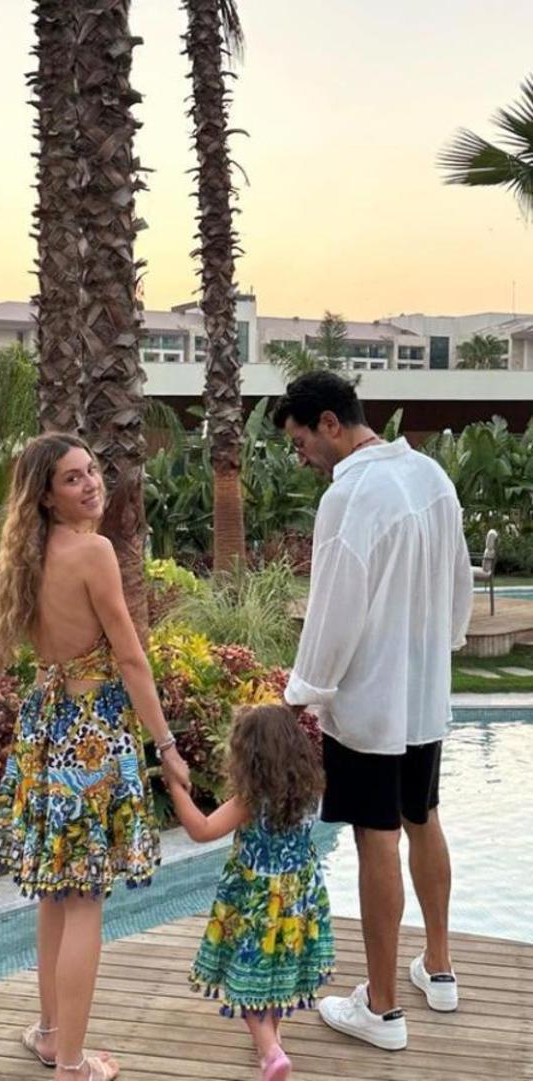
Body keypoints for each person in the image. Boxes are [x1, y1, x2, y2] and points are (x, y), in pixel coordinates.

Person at [0, 433, 190, 1081]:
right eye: (72, 477)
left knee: (56, 894)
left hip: (42, 729)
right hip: (91, 734)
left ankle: (50, 1033)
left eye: (91, 471)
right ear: (45, 495)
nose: (91, 483)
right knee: (84, 896)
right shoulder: (93, 553)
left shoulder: (23, 557)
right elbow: (130, 657)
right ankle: (71, 1065)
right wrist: (166, 744)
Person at [274, 371, 474, 1051]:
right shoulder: (430, 476)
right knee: (423, 815)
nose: (300, 455)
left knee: (376, 836)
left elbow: (335, 608)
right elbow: (459, 581)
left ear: (330, 423)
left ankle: (383, 1009)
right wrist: (442, 649)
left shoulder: (350, 495)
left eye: (300, 441)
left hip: (368, 702)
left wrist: (302, 691)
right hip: (423, 693)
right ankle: (439, 969)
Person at [166, 704, 335, 1081]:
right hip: (298, 901)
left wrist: (175, 789)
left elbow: (202, 830)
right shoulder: (310, 792)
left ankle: (271, 1052)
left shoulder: (252, 800)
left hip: (257, 905)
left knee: (246, 977)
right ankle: (271, 1042)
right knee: (276, 973)